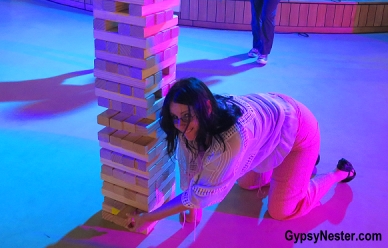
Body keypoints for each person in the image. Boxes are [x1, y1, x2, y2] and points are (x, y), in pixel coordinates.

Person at [126, 77, 356, 230]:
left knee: (281, 211)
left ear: (206, 107)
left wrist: (147, 218)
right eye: (175, 117)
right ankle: (293, 165)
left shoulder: (231, 139)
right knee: (246, 184)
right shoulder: (194, 122)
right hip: (272, 124)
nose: (179, 125)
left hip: (299, 130)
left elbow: (199, 193)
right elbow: (190, 167)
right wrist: (193, 208)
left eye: (186, 117)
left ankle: (336, 172)